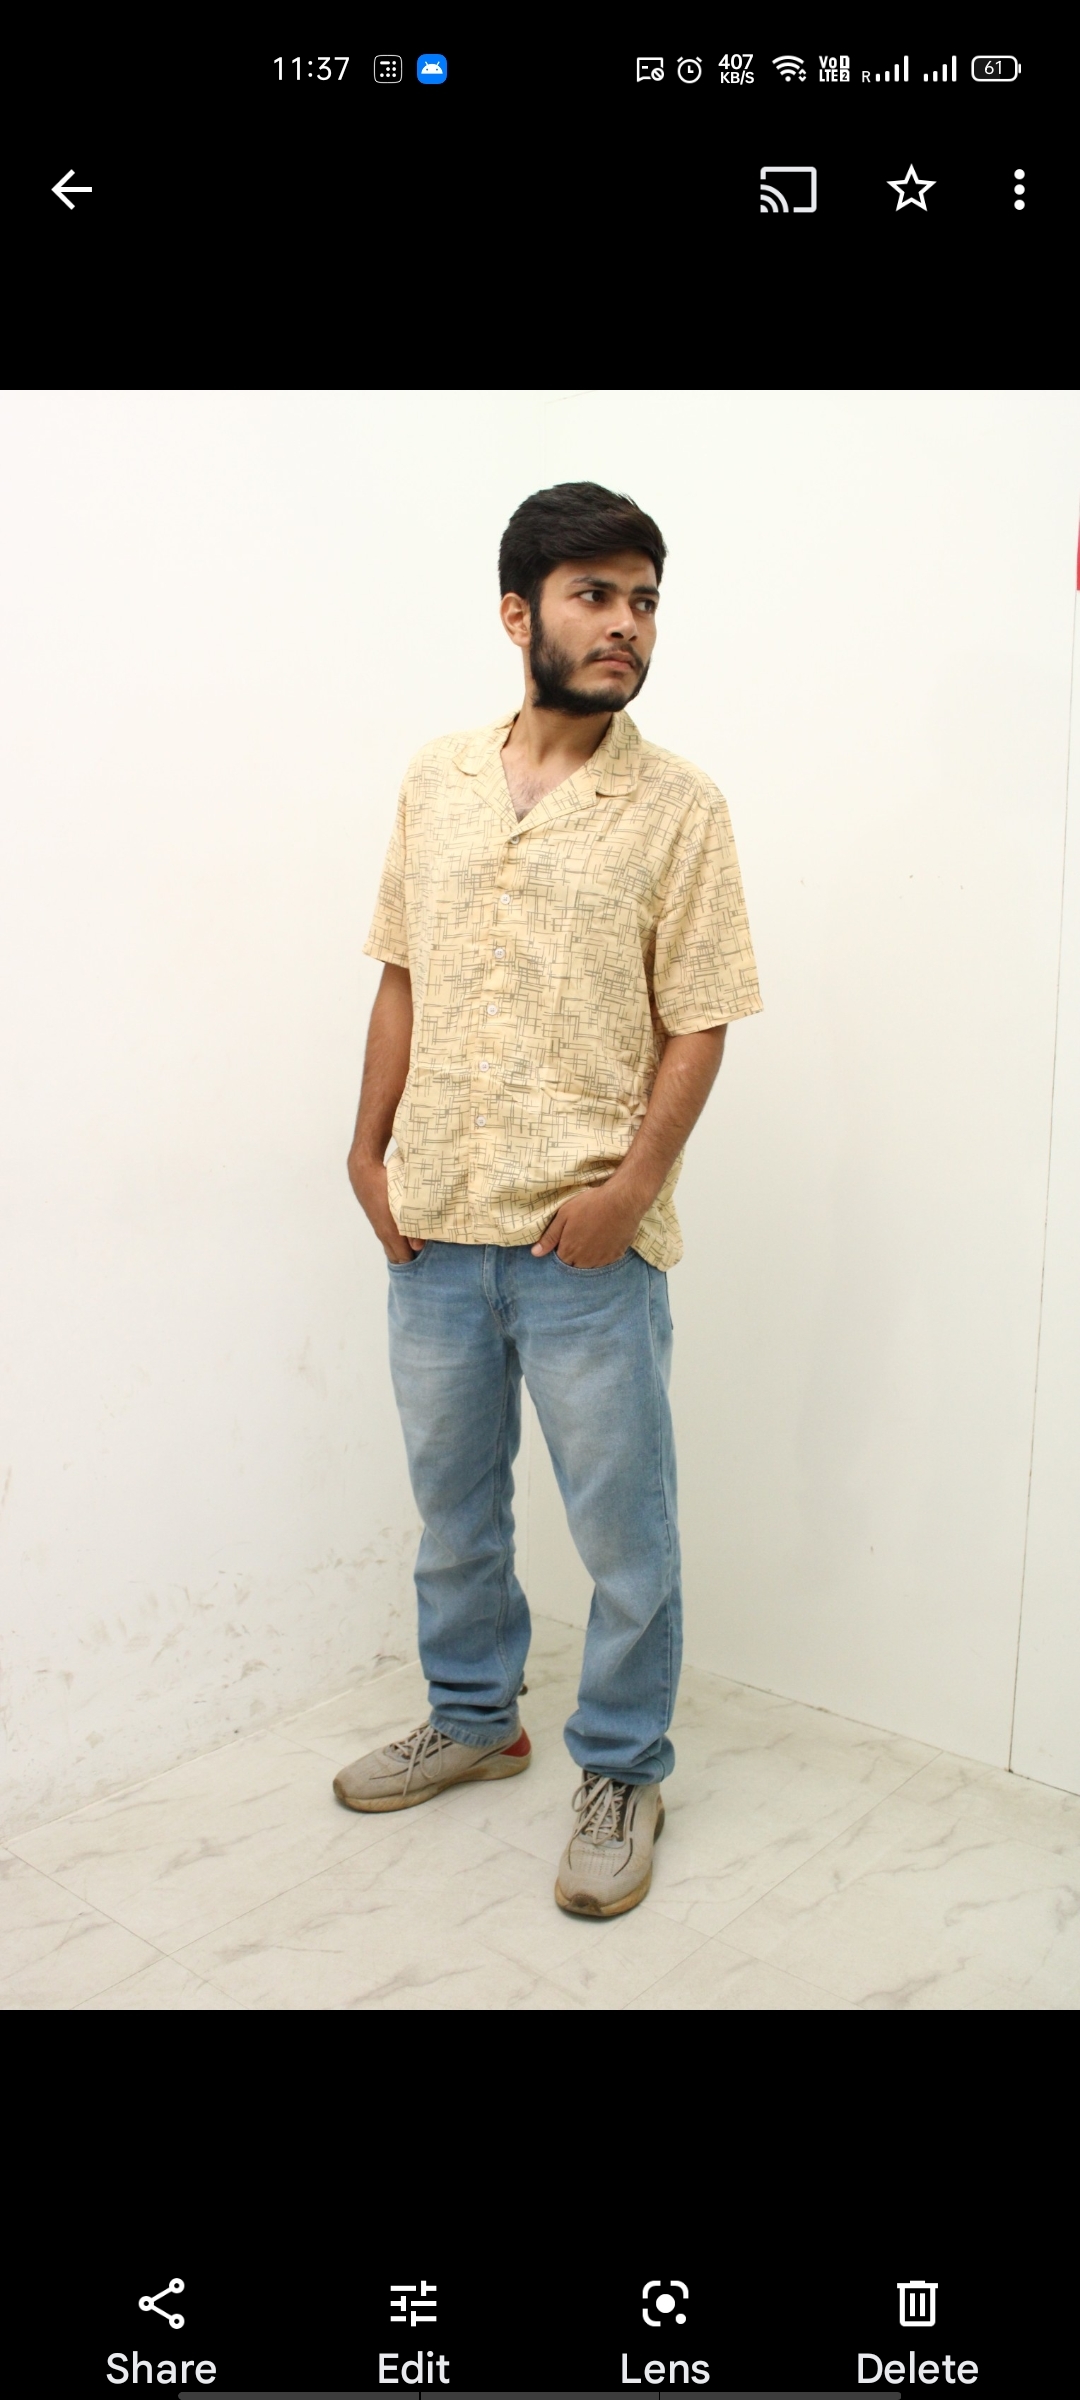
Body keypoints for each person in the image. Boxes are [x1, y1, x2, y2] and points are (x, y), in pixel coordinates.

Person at [335, 481, 762, 1917]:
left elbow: (700, 1018)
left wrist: (628, 1193)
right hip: (433, 1225)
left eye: (644, 600)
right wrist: (366, 1150)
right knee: (454, 1514)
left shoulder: (679, 808)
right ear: (519, 614)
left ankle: (624, 1768)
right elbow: (402, 971)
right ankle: (475, 1720)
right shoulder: (436, 780)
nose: (626, 624)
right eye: (596, 595)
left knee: (624, 1534)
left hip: (585, 1244)